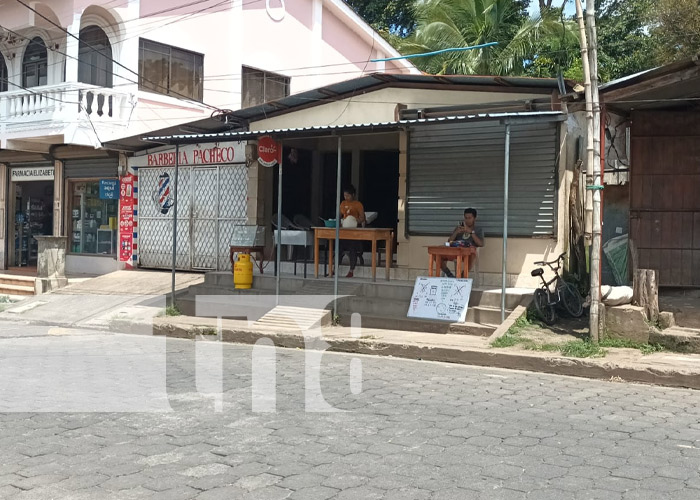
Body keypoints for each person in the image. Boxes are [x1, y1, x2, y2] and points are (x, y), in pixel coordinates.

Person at [441, 207, 484, 278]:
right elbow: (449, 241)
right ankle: (449, 274)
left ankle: (461, 277)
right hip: (455, 251)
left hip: (468, 253)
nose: (467, 220)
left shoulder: (478, 230)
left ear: (474, 218)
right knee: (438, 254)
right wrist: (456, 232)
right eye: (466, 218)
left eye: (469, 218)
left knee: (473, 254)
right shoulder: (459, 228)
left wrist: (471, 232)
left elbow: (481, 244)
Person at [339, 185, 365, 278]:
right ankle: (334, 269)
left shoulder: (358, 204)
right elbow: (340, 215)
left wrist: (354, 220)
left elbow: (362, 218)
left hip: (354, 229)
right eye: (345, 196)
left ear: (353, 195)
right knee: (339, 247)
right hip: (344, 229)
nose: (346, 197)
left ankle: (351, 270)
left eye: (348, 196)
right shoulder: (342, 203)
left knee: (352, 248)